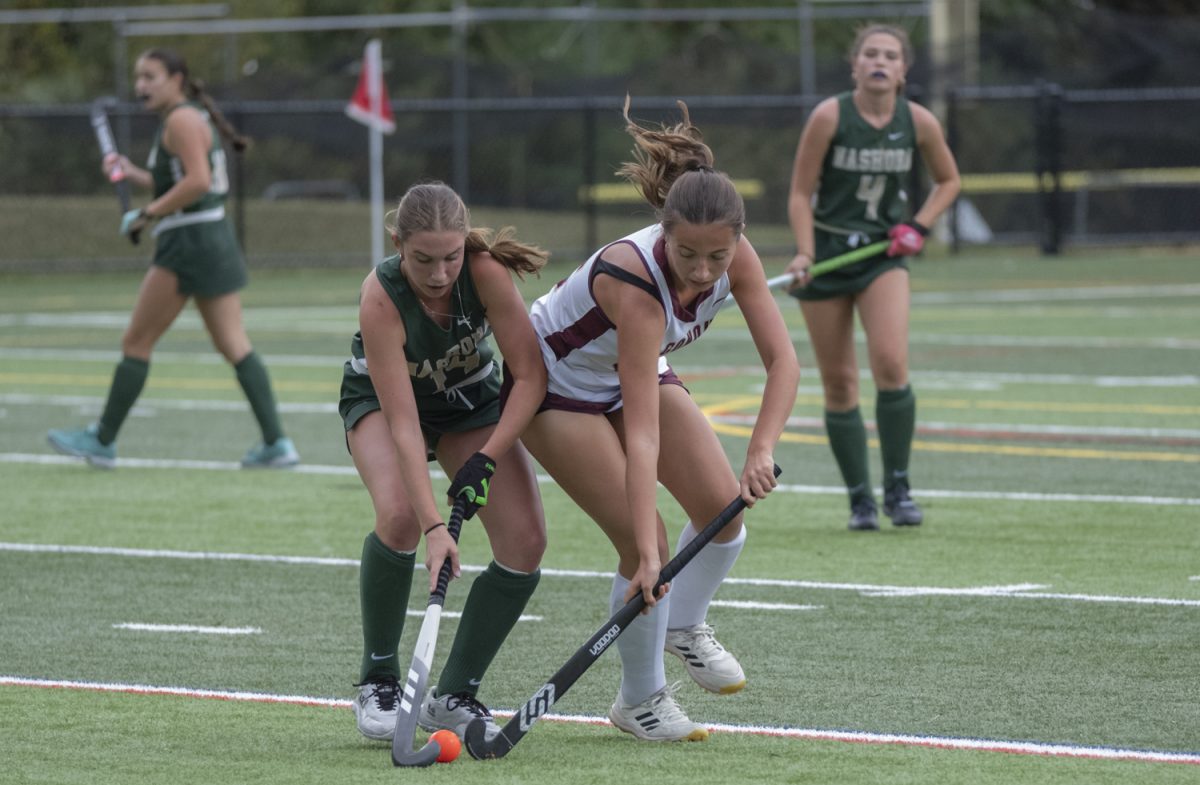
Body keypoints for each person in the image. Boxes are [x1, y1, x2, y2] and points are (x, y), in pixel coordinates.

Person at [518, 98, 800, 742]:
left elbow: (783, 362)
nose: (703, 273)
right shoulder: (636, 281)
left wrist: (761, 450)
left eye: (718, 259)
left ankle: (681, 624)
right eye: (688, 255)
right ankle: (640, 700)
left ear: (736, 241)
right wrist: (648, 553)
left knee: (724, 514)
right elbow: (641, 431)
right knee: (643, 541)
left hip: (630, 372)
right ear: (663, 234)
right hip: (556, 384)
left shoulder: (738, 256)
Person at [338, 182, 548, 743]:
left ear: (466, 244)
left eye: (451, 257)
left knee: (525, 541)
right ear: (397, 243)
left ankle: (453, 694)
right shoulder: (380, 296)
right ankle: (378, 680)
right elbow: (404, 425)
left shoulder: (485, 274)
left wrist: (488, 457)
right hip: (385, 403)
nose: (438, 273)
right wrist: (435, 526)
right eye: (423, 259)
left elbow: (529, 377)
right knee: (403, 516)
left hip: (471, 402)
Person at [47, 48, 298, 469]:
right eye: (138, 77)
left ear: (176, 79)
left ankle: (102, 439)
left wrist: (146, 213)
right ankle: (277, 443)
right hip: (210, 238)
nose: (140, 85)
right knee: (235, 345)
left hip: (188, 242)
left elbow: (198, 182)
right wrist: (134, 173)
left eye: (150, 76)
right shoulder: (188, 117)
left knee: (136, 341)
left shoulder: (180, 120)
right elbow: (182, 179)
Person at [785, 24, 960, 531]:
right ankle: (860, 500)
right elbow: (799, 194)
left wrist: (919, 227)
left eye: (890, 55)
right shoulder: (829, 116)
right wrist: (804, 252)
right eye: (870, 54)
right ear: (855, 65)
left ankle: (899, 488)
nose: (880, 62)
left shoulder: (919, 121)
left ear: (903, 70)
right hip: (827, 255)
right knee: (839, 382)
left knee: (890, 361)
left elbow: (949, 181)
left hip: (884, 254)